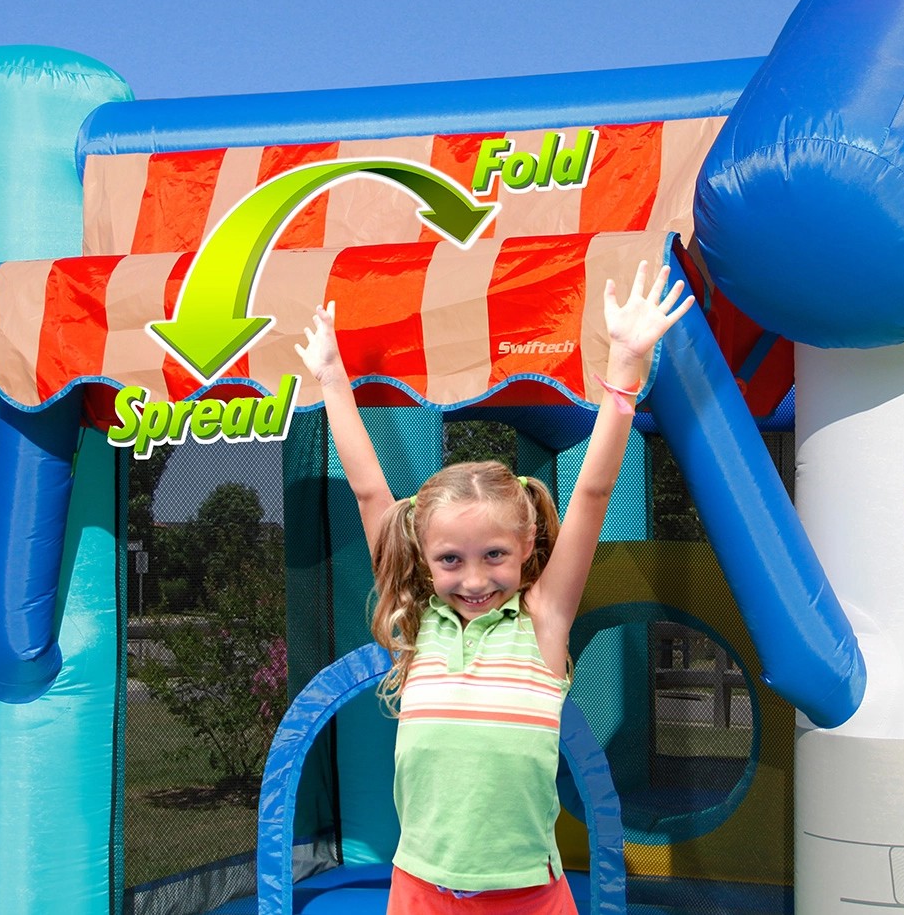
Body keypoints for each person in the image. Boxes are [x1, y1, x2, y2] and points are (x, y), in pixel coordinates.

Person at [295, 261, 692, 914]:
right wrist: (333, 378)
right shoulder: (419, 625)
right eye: (451, 559)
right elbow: (369, 492)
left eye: (495, 555)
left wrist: (625, 369)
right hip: (422, 890)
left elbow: (592, 494)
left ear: (528, 545)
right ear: (424, 557)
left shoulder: (543, 620)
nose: (475, 578)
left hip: (527, 893)